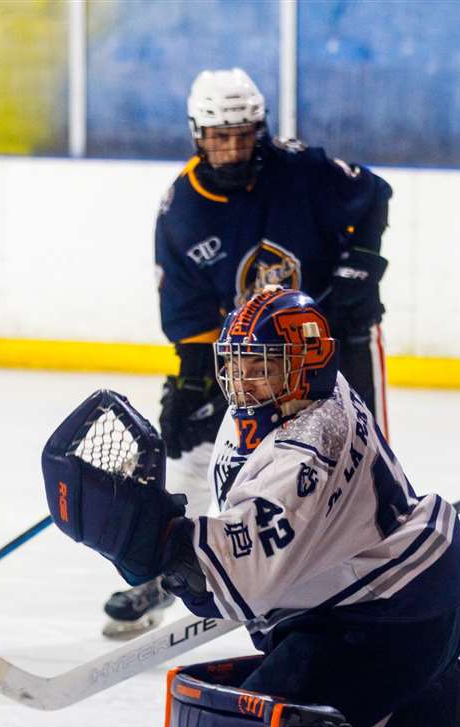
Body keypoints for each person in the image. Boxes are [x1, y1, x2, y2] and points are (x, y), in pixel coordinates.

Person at [43, 288, 460, 727]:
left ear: (307, 368)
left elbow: (229, 586)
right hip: (399, 599)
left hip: (393, 624)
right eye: (238, 364)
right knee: (272, 696)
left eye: (263, 367)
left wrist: (154, 544)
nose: (244, 382)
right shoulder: (308, 396)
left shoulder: (309, 448)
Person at [100, 67, 394, 639]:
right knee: (194, 447)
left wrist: (361, 264)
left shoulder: (301, 169)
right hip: (252, 352)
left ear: (260, 129)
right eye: (219, 137)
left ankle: (375, 551)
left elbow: (373, 195)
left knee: (359, 446)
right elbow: (186, 305)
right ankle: (170, 572)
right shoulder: (182, 208)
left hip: (335, 334)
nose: (232, 149)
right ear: (197, 135)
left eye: (243, 135)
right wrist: (192, 376)